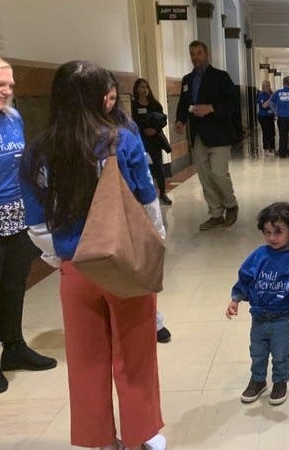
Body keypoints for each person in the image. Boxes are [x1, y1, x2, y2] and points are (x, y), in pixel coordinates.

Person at [20, 60, 165, 450]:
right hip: (122, 264)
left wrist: (62, 258)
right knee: (134, 356)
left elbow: (35, 222)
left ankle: (100, 439)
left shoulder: (38, 150)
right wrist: (156, 243)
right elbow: (147, 200)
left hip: (74, 270)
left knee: (86, 361)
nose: (109, 97)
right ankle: (141, 436)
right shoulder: (121, 139)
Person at [0, 53, 57, 395]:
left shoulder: (12, 117)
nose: (7, 90)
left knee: (14, 285)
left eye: (10, 84)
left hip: (16, 214)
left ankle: (14, 347)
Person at [225, 202, 289, 406]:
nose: (272, 238)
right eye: (267, 232)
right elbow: (246, 277)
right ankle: (257, 380)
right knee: (257, 351)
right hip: (259, 316)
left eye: (278, 232)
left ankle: (280, 381)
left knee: (281, 353)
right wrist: (236, 299)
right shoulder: (259, 255)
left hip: (284, 319)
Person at [107, 75, 172, 345]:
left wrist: (155, 224)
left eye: (112, 97)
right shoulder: (68, 135)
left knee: (137, 268)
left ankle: (151, 318)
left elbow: (143, 181)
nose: (107, 103)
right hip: (94, 218)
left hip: (128, 208)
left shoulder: (124, 130)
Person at [174, 40, 240, 232]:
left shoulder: (220, 77)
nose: (196, 58)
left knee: (219, 173)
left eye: (199, 53)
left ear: (206, 54)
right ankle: (216, 213)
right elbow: (182, 103)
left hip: (219, 134)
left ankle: (231, 204)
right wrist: (180, 120)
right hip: (198, 135)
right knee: (204, 176)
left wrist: (211, 108)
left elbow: (233, 103)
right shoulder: (187, 80)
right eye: (192, 54)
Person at [131, 78, 173, 206]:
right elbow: (132, 121)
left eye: (146, 87)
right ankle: (146, 194)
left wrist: (155, 129)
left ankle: (162, 193)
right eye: (141, 87)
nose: (144, 89)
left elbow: (162, 120)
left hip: (154, 140)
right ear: (136, 89)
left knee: (158, 166)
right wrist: (143, 129)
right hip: (141, 140)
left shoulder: (154, 104)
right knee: (144, 166)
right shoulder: (134, 105)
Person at [269, 77, 289, 159]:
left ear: (283, 84)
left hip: (281, 117)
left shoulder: (277, 93)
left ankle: (282, 153)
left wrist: (276, 112)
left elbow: (271, 103)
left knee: (282, 135)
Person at [257, 80, 276, 156]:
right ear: (263, 87)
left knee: (272, 132)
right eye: (266, 86)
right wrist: (271, 98)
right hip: (263, 116)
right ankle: (266, 149)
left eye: (269, 85)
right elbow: (264, 105)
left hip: (270, 116)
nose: (268, 87)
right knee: (266, 132)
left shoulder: (271, 93)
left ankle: (273, 148)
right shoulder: (261, 94)